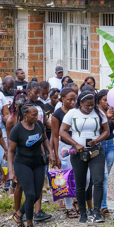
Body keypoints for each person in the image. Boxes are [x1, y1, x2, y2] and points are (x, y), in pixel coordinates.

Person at [60, 90, 109, 223]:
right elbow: (62, 131)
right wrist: (75, 144)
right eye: (87, 105)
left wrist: (97, 140)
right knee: (80, 184)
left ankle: (97, 212)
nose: (90, 108)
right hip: (78, 152)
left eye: (92, 105)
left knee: (98, 181)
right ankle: (82, 213)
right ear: (80, 102)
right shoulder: (72, 113)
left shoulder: (99, 112)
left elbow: (106, 130)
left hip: (96, 151)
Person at [9, 103, 57, 227]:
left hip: (38, 163)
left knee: (36, 195)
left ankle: (18, 214)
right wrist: (11, 171)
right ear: (25, 115)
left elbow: (45, 140)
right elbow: (11, 151)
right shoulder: (17, 129)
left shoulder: (39, 125)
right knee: (30, 194)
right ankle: (30, 223)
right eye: (34, 115)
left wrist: (51, 153)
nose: (37, 117)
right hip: (22, 164)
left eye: (38, 114)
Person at [97, 89, 114, 217]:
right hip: (100, 145)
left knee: (104, 177)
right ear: (99, 101)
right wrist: (106, 118)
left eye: (109, 100)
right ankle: (103, 206)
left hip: (111, 145)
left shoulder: (113, 113)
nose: (107, 103)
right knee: (104, 176)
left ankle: (100, 201)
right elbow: (100, 130)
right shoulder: (97, 113)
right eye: (104, 100)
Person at [51, 88, 78, 217]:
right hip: (64, 149)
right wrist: (55, 155)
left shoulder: (78, 111)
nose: (73, 102)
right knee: (66, 177)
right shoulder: (57, 114)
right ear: (62, 99)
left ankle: (78, 201)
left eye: (75, 99)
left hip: (78, 146)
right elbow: (55, 136)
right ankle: (69, 207)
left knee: (79, 175)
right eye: (70, 99)